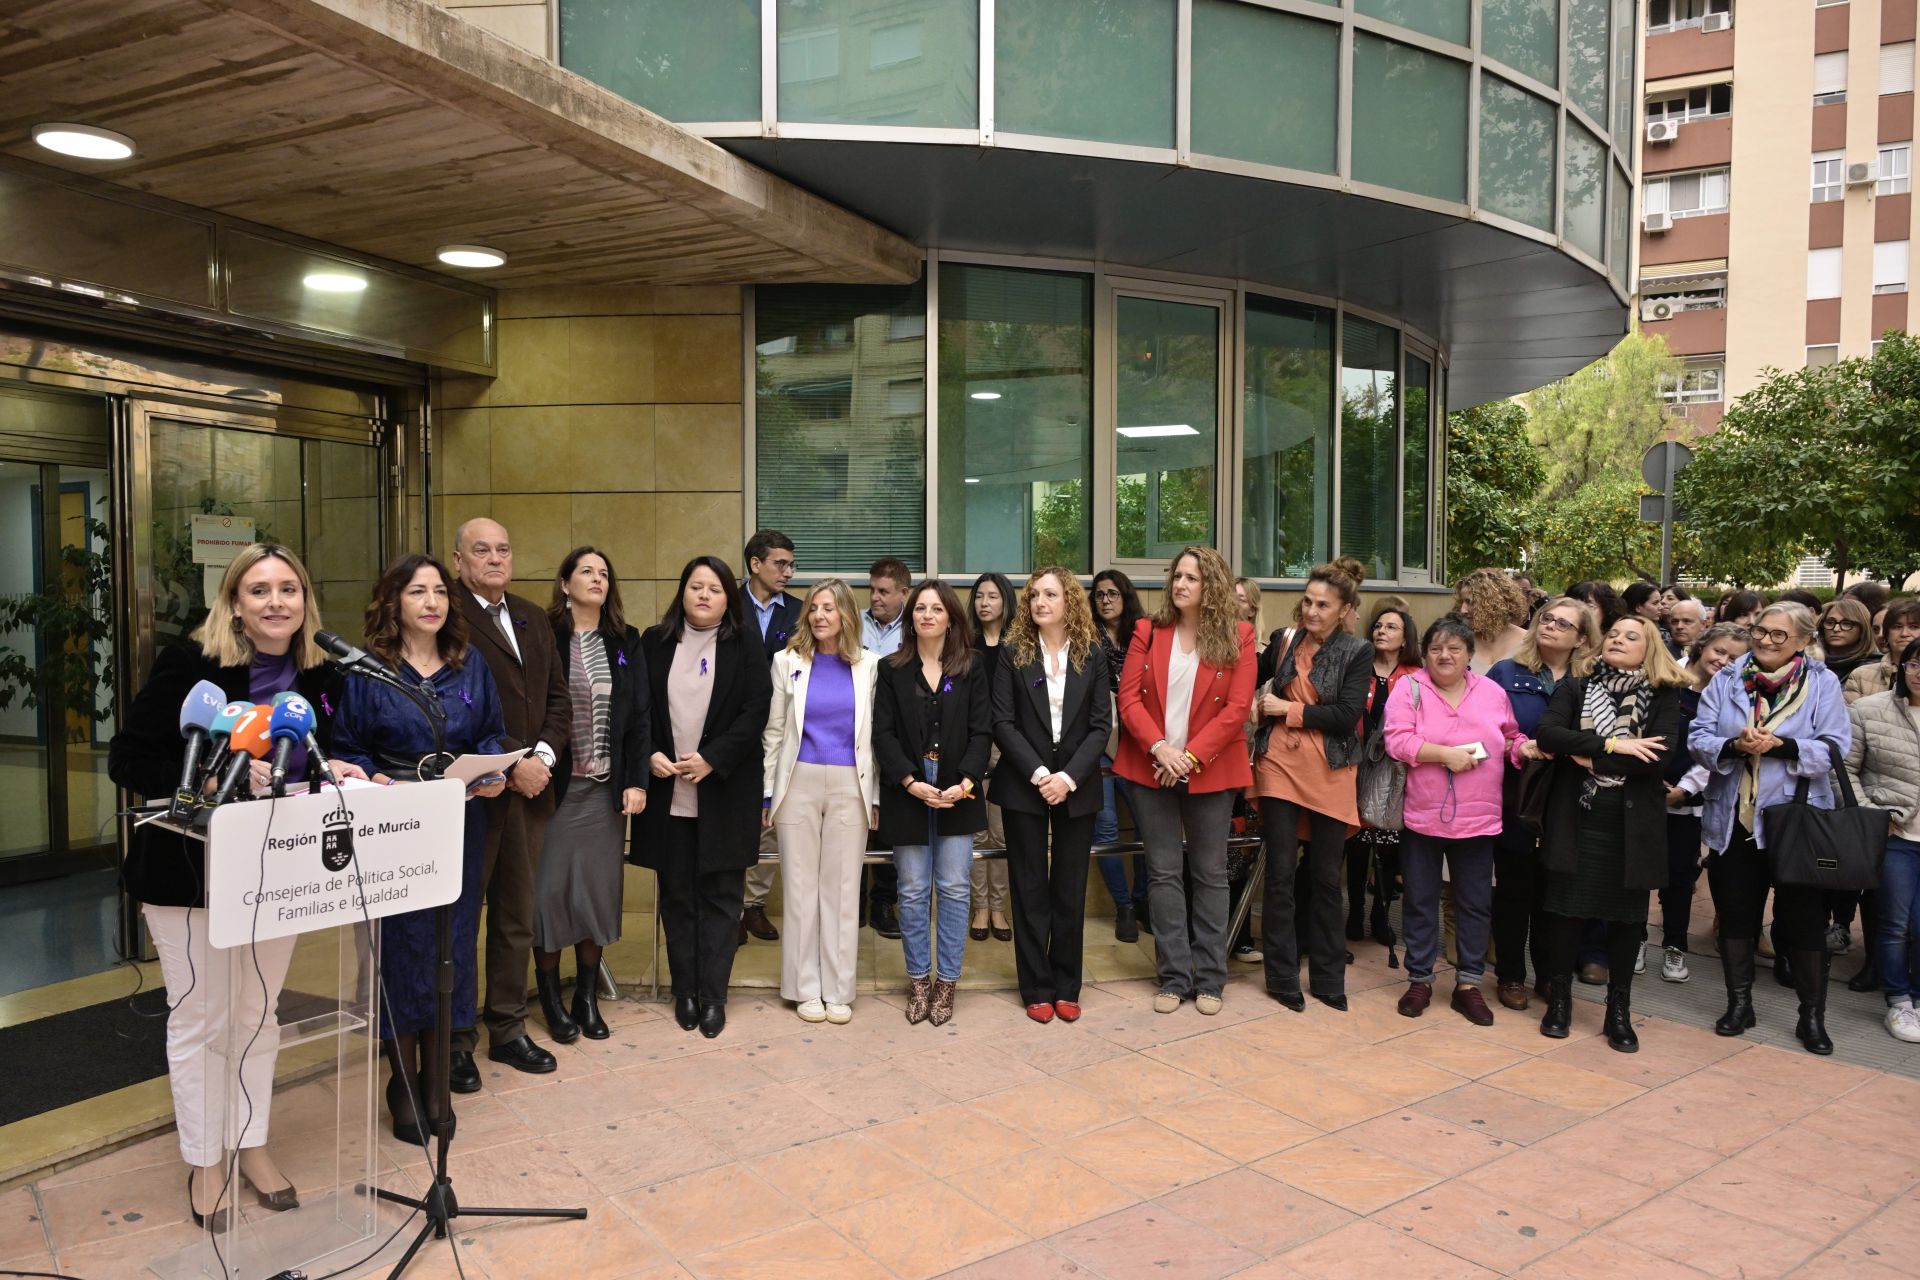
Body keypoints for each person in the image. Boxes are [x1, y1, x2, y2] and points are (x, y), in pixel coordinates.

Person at [108, 543, 366, 1226]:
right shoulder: (190, 666)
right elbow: (129, 759)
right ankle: (205, 1162)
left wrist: (339, 770)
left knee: (256, 1016)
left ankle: (251, 1144)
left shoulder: (318, 676)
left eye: (288, 589)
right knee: (201, 1019)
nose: (276, 601)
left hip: (273, 872)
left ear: (305, 601)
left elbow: (309, 757)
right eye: (259, 590)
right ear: (234, 604)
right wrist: (222, 776)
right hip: (186, 872)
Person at [332, 554, 507, 1143]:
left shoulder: (469, 664)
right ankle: (401, 1079)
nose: (431, 601)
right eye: (417, 592)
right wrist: (373, 779)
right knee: (399, 952)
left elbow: (489, 731)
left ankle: (439, 1072)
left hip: (458, 822)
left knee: (450, 945)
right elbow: (345, 747)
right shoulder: (368, 672)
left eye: (439, 592)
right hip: (393, 828)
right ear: (394, 603)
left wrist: (492, 767)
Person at [1690, 602, 1851, 1055]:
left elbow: (1837, 747)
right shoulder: (1726, 677)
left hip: (1795, 820)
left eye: (1779, 635)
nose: (1765, 640)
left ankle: (1811, 1016)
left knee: (1802, 920)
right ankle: (1740, 1004)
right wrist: (1734, 745)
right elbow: (1699, 738)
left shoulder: (1822, 683)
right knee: (1737, 914)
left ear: (1803, 640)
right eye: (1761, 631)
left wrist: (1781, 746)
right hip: (1734, 820)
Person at [450, 517, 570, 1085]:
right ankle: (453, 1039)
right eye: (481, 550)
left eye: (503, 548)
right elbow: (454, 708)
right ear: (458, 560)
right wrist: (510, 762)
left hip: (527, 795)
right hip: (470, 796)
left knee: (516, 917)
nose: (495, 558)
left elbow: (557, 699)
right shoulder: (444, 614)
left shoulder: (532, 617)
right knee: (457, 921)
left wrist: (542, 760)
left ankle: (507, 1028)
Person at [1533, 615, 1689, 1052]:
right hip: (1576, 817)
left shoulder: (1663, 694)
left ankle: (1617, 1011)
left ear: (1649, 649)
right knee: (1565, 914)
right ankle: (1559, 1002)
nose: (1618, 640)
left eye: (1631, 637)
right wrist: (1612, 745)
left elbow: (1658, 758)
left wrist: (1588, 760)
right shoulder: (1578, 685)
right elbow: (1549, 734)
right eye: (1614, 634)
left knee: (1625, 922)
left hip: (1631, 825)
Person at [1115, 546, 1257, 1016]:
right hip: (1150, 766)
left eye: (1191, 578)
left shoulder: (1239, 635)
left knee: (1210, 875)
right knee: (1161, 873)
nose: (1180, 585)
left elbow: (1237, 710)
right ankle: (1175, 977)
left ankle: (1211, 979)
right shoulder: (1146, 631)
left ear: (1210, 585)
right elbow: (1128, 699)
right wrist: (1161, 749)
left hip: (1211, 770)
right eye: (1177, 576)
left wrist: (1189, 757)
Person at [637, 557, 773, 1039]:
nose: (703, 595)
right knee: (677, 899)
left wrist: (713, 758)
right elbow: (641, 708)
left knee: (720, 899)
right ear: (682, 591)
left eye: (714, 589)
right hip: (667, 793)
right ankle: (685, 992)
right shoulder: (654, 642)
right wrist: (651, 751)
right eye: (695, 586)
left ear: (727, 599)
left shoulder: (744, 644)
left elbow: (756, 711)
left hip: (724, 791)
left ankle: (713, 996)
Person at [1384, 615, 1532, 1025]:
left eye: (1454, 648)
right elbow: (1395, 739)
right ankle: (1420, 978)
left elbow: (1509, 736)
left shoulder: (1492, 691)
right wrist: (1443, 754)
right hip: (1422, 814)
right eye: (1436, 648)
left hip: (1479, 817)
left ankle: (1468, 983)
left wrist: (1523, 749)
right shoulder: (1410, 688)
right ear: (1425, 653)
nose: (1444, 655)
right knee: (1419, 899)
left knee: (1474, 901)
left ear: (1469, 655)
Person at [534, 547, 648, 1044]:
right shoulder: (541, 637)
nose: (597, 579)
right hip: (554, 794)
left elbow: (640, 716)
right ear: (564, 583)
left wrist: (637, 779)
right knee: (550, 896)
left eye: (605, 572)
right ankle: (549, 999)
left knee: (595, 897)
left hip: (604, 793)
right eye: (586, 571)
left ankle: (585, 995)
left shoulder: (626, 641)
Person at [993, 566, 1111, 1023]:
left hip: (1077, 787)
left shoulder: (1093, 654)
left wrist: (1068, 778)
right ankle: (1036, 987)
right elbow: (1003, 723)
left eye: (1050, 595)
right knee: (1028, 887)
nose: (1040, 602)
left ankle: (1066, 985)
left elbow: (1102, 725)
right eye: (1034, 595)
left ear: (1069, 602)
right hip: (1025, 784)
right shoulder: (1012, 653)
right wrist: (1043, 774)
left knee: (1069, 888)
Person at [1251, 561, 1371, 1012]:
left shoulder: (1357, 651)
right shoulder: (1284, 640)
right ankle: (1282, 977)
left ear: (1344, 610)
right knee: (1280, 873)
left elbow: (1346, 715)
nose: (1312, 611)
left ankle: (1326, 976)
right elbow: (1246, 671)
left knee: (1325, 877)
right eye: (1308, 601)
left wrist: (1288, 710)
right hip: (1279, 762)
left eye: (1323, 605)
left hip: (1331, 769)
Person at [874, 580, 992, 1026]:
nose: (927, 615)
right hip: (909, 789)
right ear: (911, 617)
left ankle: (947, 983)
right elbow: (882, 733)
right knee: (912, 889)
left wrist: (965, 783)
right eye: (919, 608)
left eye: (936, 608)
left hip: (957, 788)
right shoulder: (891, 668)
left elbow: (984, 732)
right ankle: (919, 980)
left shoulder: (971, 667)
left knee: (955, 887)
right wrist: (907, 780)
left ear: (950, 618)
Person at [763, 578, 880, 1024]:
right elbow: (774, 733)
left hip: (851, 783)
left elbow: (872, 740)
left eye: (828, 608)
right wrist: (767, 792)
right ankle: (804, 987)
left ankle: (838, 988)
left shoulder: (870, 666)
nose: (819, 616)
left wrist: (873, 797)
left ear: (846, 614)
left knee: (843, 888)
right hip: (798, 783)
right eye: (814, 608)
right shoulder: (786, 661)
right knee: (799, 887)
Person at [1485, 596, 1600, 1010]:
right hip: (1518, 794)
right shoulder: (1506, 671)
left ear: (1582, 637)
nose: (1549, 626)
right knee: (1514, 891)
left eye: (1562, 624)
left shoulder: (1595, 678)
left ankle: (1552, 976)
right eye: (1545, 619)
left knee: (1558, 894)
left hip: (1572, 798)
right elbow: (1489, 728)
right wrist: (1520, 746)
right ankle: (1511, 975)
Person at [1659, 625, 1751, 985]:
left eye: (1734, 657)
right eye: (1719, 651)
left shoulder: (1735, 696)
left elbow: (1718, 751)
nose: (1724, 661)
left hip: (1690, 802)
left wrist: (1684, 788)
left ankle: (1675, 944)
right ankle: (1633, 939)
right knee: (1636, 873)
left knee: (1680, 877)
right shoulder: (1666, 682)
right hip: (1645, 792)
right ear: (1702, 647)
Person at [1845, 637, 1920, 1043]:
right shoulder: (1869, 710)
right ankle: (1899, 1000)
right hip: (1896, 834)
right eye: (1915, 663)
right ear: (1902, 667)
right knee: (1895, 924)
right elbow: (1845, 768)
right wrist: (1872, 814)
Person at [738, 529, 803, 946]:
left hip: (782, 729)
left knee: (771, 817)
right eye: (781, 563)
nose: (789, 572)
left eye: (791, 564)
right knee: (734, 814)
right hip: (732, 727)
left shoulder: (799, 611)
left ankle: (753, 906)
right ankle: (727, 904)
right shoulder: (727, 603)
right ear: (755, 564)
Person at [1346, 603, 1422, 946]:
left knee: (1390, 846)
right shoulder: (1358, 668)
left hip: (1396, 769)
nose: (1381, 631)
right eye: (1378, 625)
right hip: (1357, 763)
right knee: (1358, 844)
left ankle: (1381, 915)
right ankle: (1354, 914)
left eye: (1391, 627)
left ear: (1405, 637)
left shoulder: (1415, 675)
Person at [1092, 569, 1149, 942]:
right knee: (1106, 827)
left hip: (1141, 741)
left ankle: (1145, 901)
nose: (1106, 600)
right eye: (1099, 595)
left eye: (1113, 593)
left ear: (1126, 596)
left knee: (1149, 826)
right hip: (1097, 744)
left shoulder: (1144, 635)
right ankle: (1124, 906)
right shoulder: (1086, 637)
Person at [862, 556, 911, 939]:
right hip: (855, 731)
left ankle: (882, 902)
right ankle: (851, 905)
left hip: (897, 732)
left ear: (904, 594)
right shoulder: (853, 623)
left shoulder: (915, 628)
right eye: (873, 589)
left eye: (884, 591)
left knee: (890, 819)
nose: (875, 598)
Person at [967, 572, 1016, 942]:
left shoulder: (1019, 644)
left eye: (993, 596)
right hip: (971, 743)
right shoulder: (964, 644)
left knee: (1000, 833)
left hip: (1009, 746)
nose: (985, 603)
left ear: (1006, 602)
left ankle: (999, 909)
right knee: (974, 832)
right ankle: (979, 907)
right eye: (980, 596)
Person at [1454, 567, 1531, 673]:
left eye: (1470, 602)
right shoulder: (1459, 641)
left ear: (1494, 604)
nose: (1463, 610)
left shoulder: (1530, 642)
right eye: (1462, 602)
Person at [1845, 597, 1920, 702]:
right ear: (1886, 633)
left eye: (1914, 626)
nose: (1904, 634)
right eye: (1897, 627)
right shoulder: (1860, 676)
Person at [1817, 597, 1879, 683]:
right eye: (1830, 622)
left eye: (1846, 624)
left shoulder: (1873, 668)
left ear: (1863, 629)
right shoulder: (1810, 661)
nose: (1836, 629)